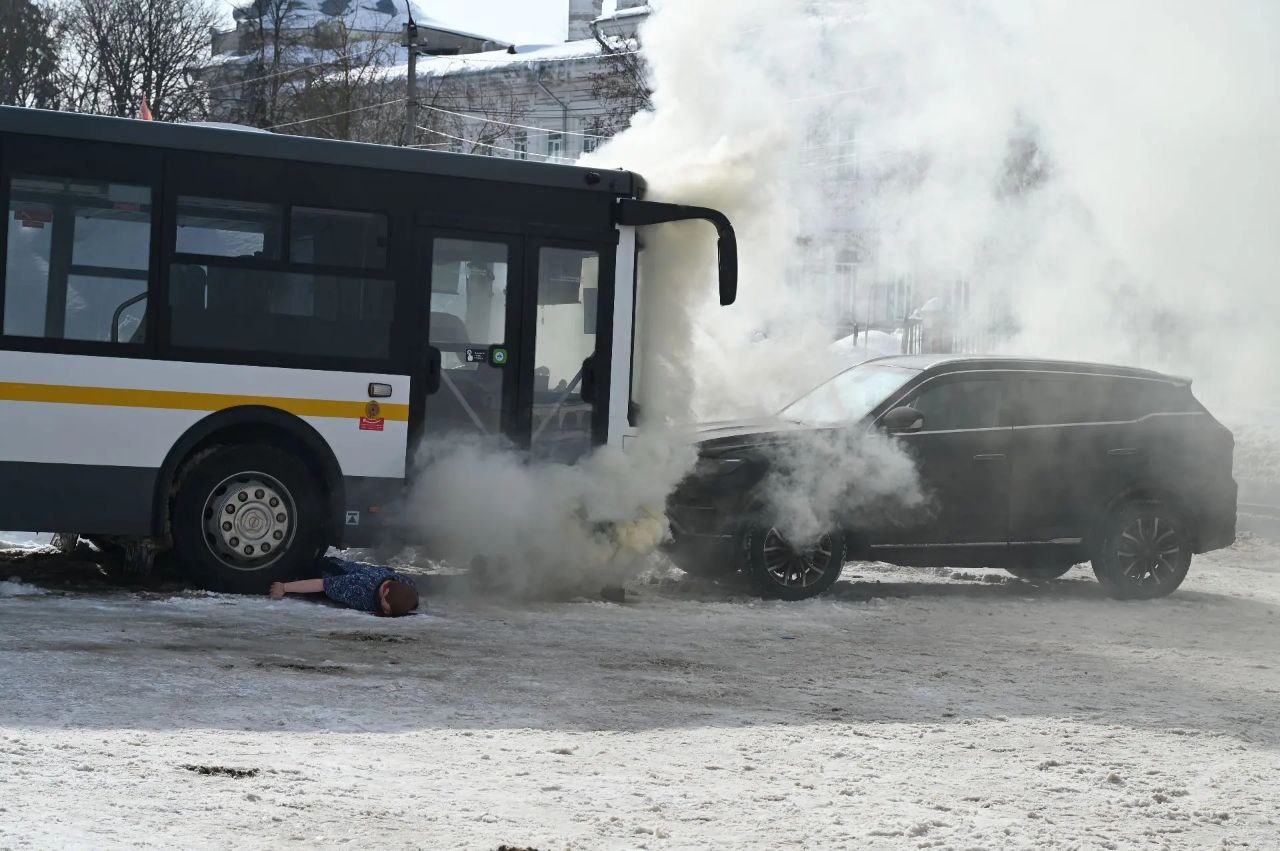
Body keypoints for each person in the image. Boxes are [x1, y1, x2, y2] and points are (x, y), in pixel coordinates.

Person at [269, 556, 419, 616]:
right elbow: (320, 584)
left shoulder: (405, 584)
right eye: (385, 608)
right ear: (385, 590)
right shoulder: (358, 586)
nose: (385, 613)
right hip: (322, 572)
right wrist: (284, 587)